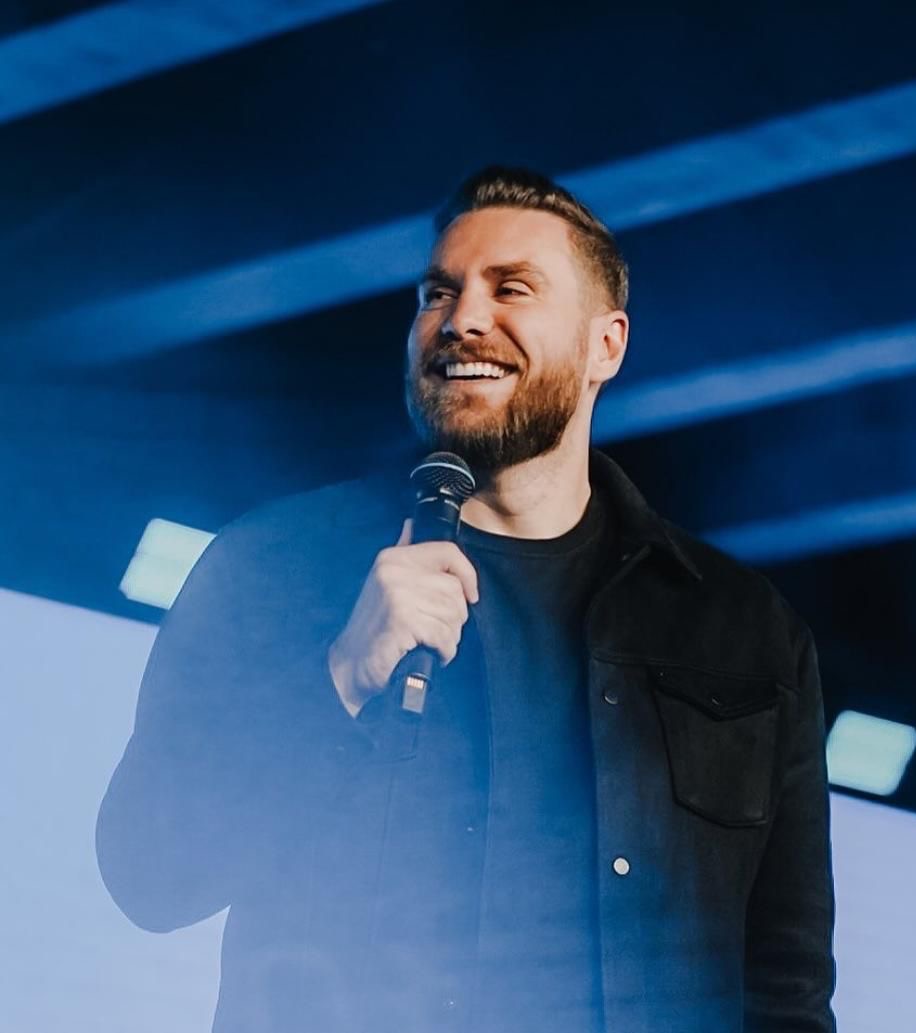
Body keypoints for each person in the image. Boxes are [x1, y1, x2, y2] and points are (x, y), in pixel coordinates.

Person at [96, 167, 836, 1032]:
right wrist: (340, 677)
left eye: (510, 288)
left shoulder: (742, 628)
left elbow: (785, 989)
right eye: (438, 292)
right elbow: (149, 873)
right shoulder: (275, 565)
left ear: (606, 346)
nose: (461, 319)